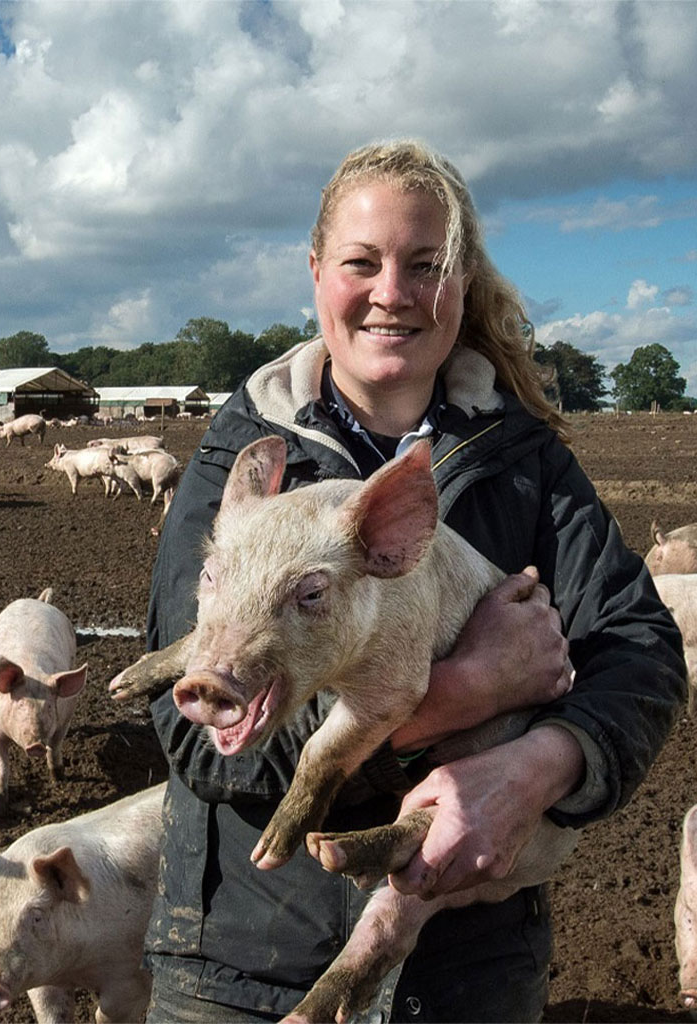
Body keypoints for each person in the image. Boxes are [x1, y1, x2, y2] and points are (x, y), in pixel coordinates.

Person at [141, 140, 687, 1023]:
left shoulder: (526, 460)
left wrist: (539, 766)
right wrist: (462, 691)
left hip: (470, 970)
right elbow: (195, 730)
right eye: (362, 262)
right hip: (242, 970)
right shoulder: (237, 459)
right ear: (316, 270)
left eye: (424, 265)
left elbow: (644, 654)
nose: (391, 292)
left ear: (461, 284)